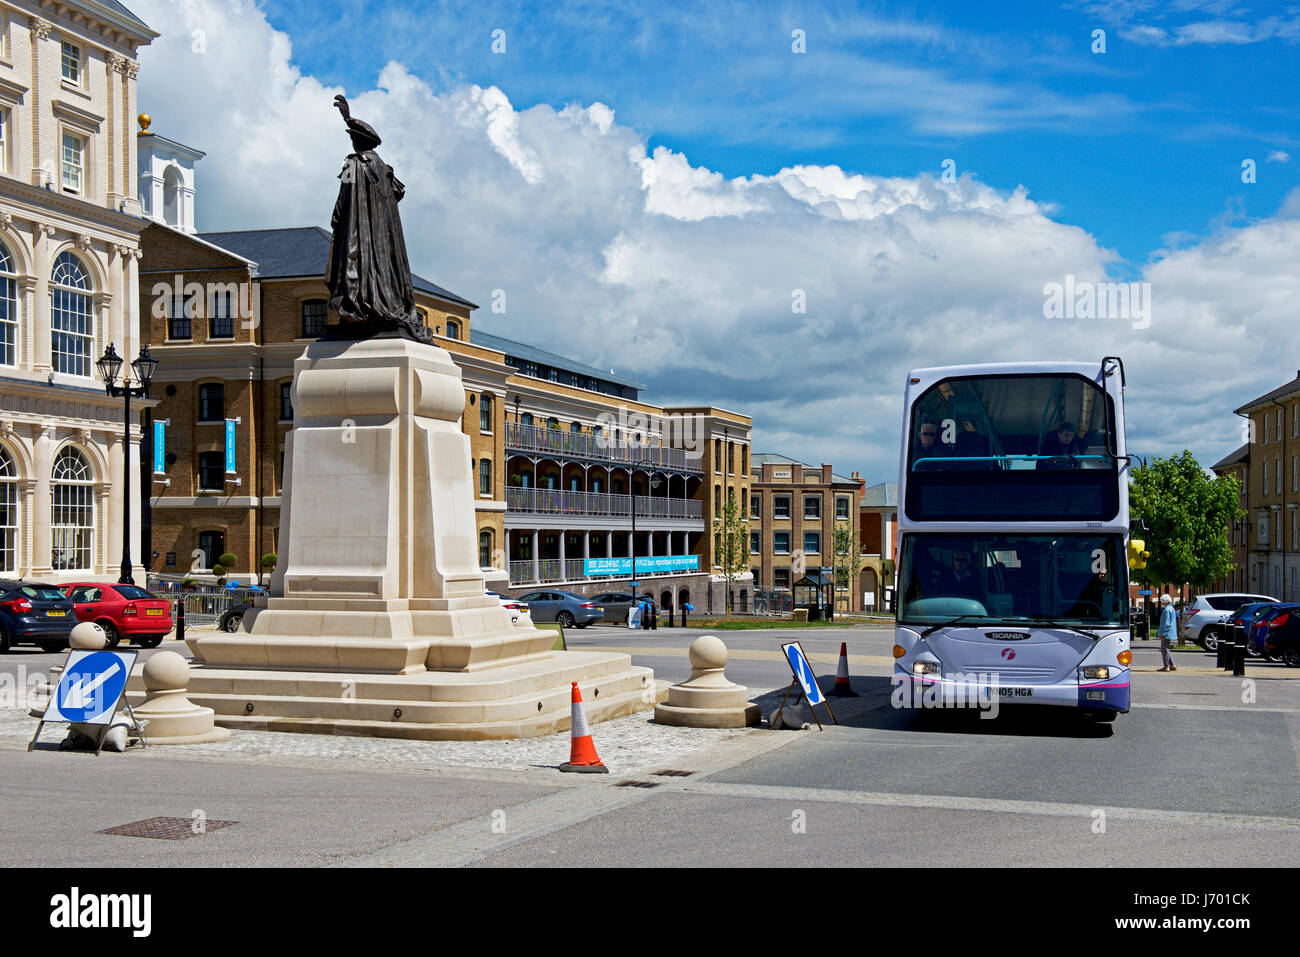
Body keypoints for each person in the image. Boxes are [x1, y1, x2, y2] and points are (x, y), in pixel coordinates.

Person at [1157, 593, 1178, 671]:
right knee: (1166, 648)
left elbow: (1166, 622)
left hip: (1167, 632)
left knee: (1164, 649)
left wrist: (1163, 633)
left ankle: (1166, 666)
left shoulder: (1166, 610)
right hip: (1170, 632)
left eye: (1162, 601)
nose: (1161, 602)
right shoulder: (1171, 608)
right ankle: (1172, 664)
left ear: (1164, 601)